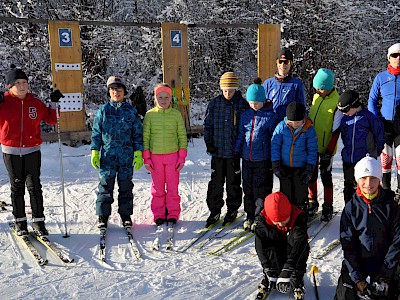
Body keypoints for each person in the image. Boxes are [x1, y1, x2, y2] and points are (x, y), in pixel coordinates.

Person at [0, 64, 62, 236]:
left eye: (24, 82)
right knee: (17, 186)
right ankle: (20, 222)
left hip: (32, 150)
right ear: (10, 86)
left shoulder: (34, 103)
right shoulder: (4, 103)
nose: (22, 86)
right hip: (11, 150)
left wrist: (54, 103)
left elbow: (51, 119)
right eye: (18, 83)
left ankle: (39, 222)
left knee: (34, 186)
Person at [334, 155, 400, 300]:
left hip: (384, 263)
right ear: (357, 180)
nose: (368, 184)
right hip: (359, 262)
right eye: (363, 178)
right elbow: (348, 243)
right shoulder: (351, 208)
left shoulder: (391, 206)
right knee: (345, 295)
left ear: (379, 180)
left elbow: (397, 241)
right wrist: (357, 277)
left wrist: (385, 274)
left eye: (373, 178)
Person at [91, 76, 143, 230]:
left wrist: (138, 152)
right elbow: (96, 132)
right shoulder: (103, 111)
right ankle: (103, 215)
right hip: (108, 155)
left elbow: (137, 133)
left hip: (126, 155)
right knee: (105, 185)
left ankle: (125, 215)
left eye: (119, 89)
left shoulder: (131, 111)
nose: (116, 92)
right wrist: (94, 150)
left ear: (124, 91)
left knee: (126, 186)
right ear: (109, 92)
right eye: (113, 89)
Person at [204, 71, 249, 227]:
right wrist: (209, 142)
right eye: (225, 90)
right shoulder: (214, 103)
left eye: (231, 90)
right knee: (216, 182)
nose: (228, 93)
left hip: (233, 152)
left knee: (233, 183)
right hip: (217, 151)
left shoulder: (241, 105)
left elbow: (245, 128)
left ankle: (232, 209)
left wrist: (240, 147)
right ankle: (214, 209)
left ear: (236, 89)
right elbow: (208, 125)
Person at [234, 78, 278, 231]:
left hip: (262, 160)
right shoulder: (246, 115)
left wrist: (274, 160)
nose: (254, 106)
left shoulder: (270, 116)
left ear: (263, 101)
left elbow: (273, 139)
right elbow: (241, 134)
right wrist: (237, 151)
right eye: (251, 103)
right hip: (247, 159)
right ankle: (249, 215)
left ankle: (260, 215)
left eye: (257, 103)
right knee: (248, 188)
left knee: (260, 189)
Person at [142, 83, 188, 225]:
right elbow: (146, 137)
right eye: (160, 97)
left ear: (171, 98)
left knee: (173, 188)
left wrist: (182, 156)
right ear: (155, 98)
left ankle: (173, 213)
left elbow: (182, 135)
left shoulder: (176, 114)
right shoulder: (150, 115)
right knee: (158, 188)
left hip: (173, 157)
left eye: (166, 97)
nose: (163, 100)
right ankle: (159, 214)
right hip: (155, 158)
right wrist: (146, 158)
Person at [254, 192, 309, 300]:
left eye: (284, 221)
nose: (281, 225)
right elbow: (259, 245)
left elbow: (300, 243)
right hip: (275, 250)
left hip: (292, 253)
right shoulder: (262, 220)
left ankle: (296, 277)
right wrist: (266, 267)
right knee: (268, 242)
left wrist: (289, 267)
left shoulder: (299, 217)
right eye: (277, 222)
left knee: (301, 244)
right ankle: (271, 274)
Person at [307, 68, 343, 221]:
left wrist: (329, 151)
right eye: (317, 87)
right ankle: (312, 201)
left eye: (321, 88)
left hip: (327, 146)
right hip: (312, 145)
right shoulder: (316, 97)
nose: (318, 90)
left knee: (325, 175)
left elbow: (336, 129)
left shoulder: (336, 103)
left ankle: (328, 205)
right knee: (311, 174)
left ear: (329, 87)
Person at [338, 90, 385, 203]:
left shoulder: (369, 118)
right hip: (348, 159)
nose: (344, 113)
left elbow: (379, 136)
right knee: (349, 185)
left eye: (345, 110)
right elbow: (344, 136)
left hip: (364, 159)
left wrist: (374, 153)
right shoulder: (345, 119)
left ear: (354, 105)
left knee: (363, 187)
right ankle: (349, 210)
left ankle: (364, 209)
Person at [271, 102, 318, 211]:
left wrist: (310, 168)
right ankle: (286, 211)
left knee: (300, 191)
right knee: (286, 191)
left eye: (298, 122)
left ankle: (300, 210)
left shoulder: (309, 130)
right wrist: (276, 164)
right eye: (292, 122)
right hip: (284, 166)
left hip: (301, 167)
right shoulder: (281, 127)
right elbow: (275, 146)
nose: (295, 125)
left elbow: (312, 150)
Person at [368, 42, 400, 195]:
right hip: (385, 125)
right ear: (389, 58)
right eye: (395, 55)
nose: (398, 58)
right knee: (386, 161)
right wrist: (376, 121)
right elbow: (372, 100)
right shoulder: (381, 77)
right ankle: (386, 191)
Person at [263, 48, 306, 122]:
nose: (283, 65)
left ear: (291, 64)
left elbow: (301, 107)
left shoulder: (296, 84)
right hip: (269, 124)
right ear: (277, 63)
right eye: (280, 62)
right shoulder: (268, 83)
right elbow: (261, 104)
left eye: (286, 62)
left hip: (287, 125)